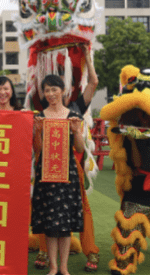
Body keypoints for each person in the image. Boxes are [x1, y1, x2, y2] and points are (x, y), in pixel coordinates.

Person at [32, 73, 94, 275]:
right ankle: (53, 267)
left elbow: (79, 148)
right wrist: (38, 132)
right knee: (51, 222)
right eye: (47, 90)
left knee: (65, 222)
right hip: (46, 174)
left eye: (54, 89)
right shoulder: (40, 116)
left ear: (62, 91)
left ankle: (64, 268)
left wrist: (77, 131)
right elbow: (38, 151)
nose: (50, 94)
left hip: (67, 174)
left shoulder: (72, 115)